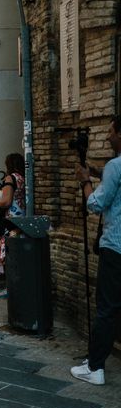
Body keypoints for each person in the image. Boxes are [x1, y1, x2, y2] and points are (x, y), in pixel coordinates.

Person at [72, 116, 121, 385]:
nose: (108, 137)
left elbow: (96, 204)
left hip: (115, 248)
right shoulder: (113, 169)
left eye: (112, 132)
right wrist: (94, 172)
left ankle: (95, 367)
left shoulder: (115, 165)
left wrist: (84, 181)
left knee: (107, 308)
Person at [0, 153, 25, 277]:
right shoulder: (22, 177)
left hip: (10, 218)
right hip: (20, 216)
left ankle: (10, 282)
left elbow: (7, 201)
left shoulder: (10, 178)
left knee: (7, 253)